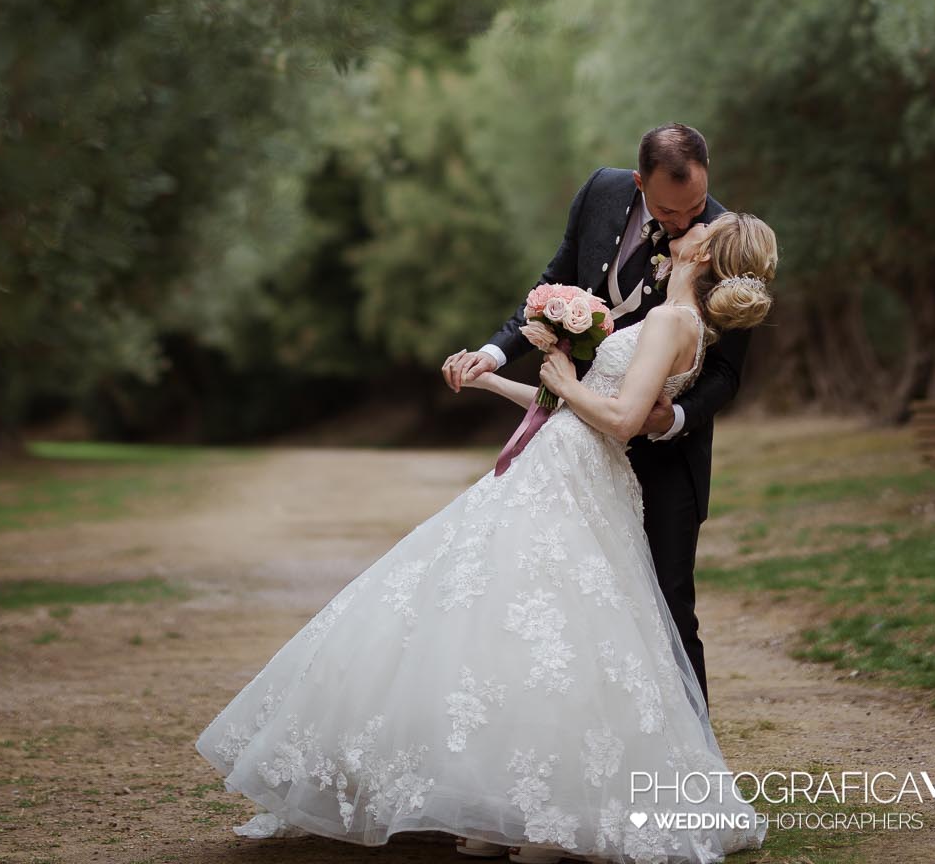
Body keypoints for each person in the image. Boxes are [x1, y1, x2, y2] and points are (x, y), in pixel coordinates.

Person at [194, 189, 778, 864]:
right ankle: (505, 805)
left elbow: (618, 421)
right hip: (558, 465)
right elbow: (575, 408)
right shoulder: (670, 317)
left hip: (579, 477)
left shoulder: (675, 321)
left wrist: (563, 370)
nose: (685, 228)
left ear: (701, 251)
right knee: (509, 621)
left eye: (698, 228)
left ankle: (548, 816)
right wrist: (496, 383)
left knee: (544, 626)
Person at [445, 126, 750, 705]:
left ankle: (692, 755)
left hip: (666, 455)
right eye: (668, 209)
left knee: (666, 605)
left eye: (695, 207)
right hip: (579, 444)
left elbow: (728, 374)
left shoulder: (722, 239)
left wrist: (673, 418)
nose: (685, 223)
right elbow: (552, 284)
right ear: (639, 183)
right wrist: (490, 357)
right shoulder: (601, 192)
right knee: (570, 604)